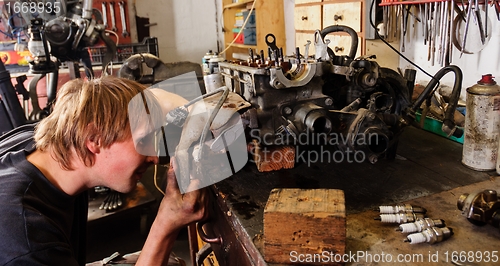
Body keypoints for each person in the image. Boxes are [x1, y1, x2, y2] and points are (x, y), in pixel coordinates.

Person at [0, 76, 208, 265]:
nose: (154, 157)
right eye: (143, 140)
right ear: (94, 139)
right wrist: (166, 222)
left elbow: (156, 97)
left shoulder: (43, 141)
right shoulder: (27, 242)